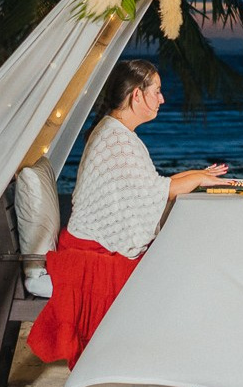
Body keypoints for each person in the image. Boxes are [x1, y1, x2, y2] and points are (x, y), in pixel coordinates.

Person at [26, 59, 226, 364]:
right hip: (92, 253)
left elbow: (150, 187)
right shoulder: (117, 139)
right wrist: (196, 178)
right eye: (157, 91)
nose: (162, 98)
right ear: (136, 95)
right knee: (181, 270)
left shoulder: (114, 130)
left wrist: (196, 175)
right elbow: (155, 191)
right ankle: (187, 362)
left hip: (86, 245)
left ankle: (191, 361)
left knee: (182, 262)